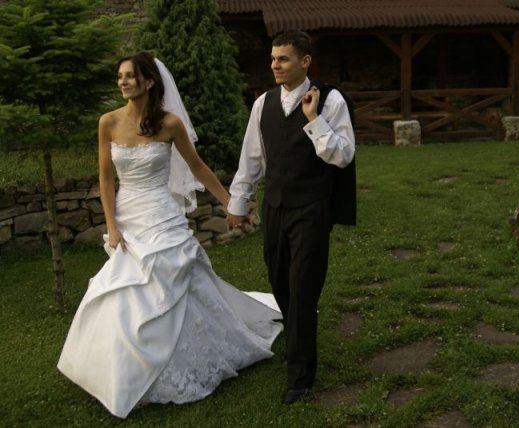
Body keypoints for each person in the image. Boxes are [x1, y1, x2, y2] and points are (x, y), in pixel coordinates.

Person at [57, 52, 283, 419]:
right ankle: (124, 368)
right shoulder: (108, 122)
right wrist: (112, 226)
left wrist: (231, 203)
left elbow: (197, 167)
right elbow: (106, 177)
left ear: (149, 81)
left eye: (130, 76)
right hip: (129, 216)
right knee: (124, 287)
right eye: (120, 76)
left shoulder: (170, 123)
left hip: (162, 215)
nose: (122, 82)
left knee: (176, 275)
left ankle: (189, 359)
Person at [226, 30, 356, 404]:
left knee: (302, 288)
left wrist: (313, 120)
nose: (275, 65)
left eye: (283, 59)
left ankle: (300, 375)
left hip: (312, 207)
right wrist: (238, 201)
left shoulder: (330, 101)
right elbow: (252, 157)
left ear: (305, 61)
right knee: (279, 281)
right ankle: (297, 337)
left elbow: (343, 155)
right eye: (273, 59)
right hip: (275, 206)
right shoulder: (262, 103)